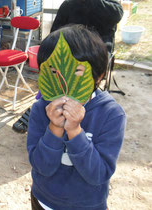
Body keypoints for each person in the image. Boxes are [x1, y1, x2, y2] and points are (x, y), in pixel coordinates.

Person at [13, 0, 123, 133]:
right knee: (53, 79)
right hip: (67, 58)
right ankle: (40, 109)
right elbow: (55, 34)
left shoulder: (108, 2)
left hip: (93, 58)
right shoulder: (69, 5)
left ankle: (79, 120)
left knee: (79, 83)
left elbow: (115, 15)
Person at [27, 24, 126, 210]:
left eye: (77, 71)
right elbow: (41, 166)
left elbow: (98, 174)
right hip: (44, 201)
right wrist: (54, 129)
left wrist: (74, 131)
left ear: (99, 76)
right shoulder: (41, 109)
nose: (64, 81)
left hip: (87, 205)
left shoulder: (111, 115)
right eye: (53, 72)